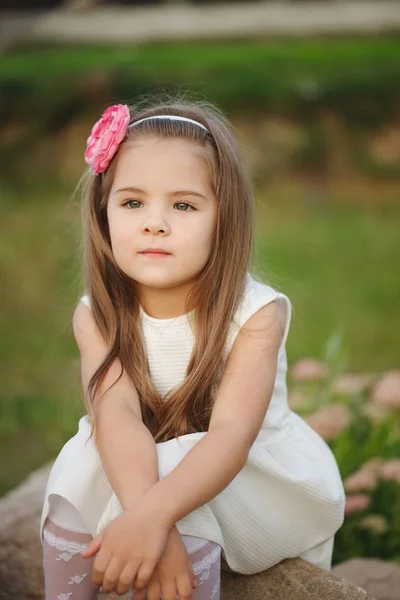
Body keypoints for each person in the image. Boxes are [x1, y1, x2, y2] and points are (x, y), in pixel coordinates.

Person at [40, 98, 345, 600]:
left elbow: (229, 436)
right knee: (82, 461)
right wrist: (147, 521)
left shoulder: (253, 315)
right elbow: (114, 413)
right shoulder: (97, 313)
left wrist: (158, 520)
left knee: (178, 466)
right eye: (132, 202)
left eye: (183, 205)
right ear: (103, 211)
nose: (154, 223)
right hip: (140, 459)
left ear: (223, 218)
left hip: (244, 475)